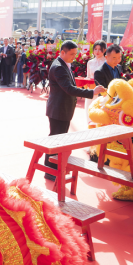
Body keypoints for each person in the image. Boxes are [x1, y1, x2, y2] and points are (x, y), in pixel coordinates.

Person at [43, 40, 106, 180]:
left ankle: (53, 168)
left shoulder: (64, 64)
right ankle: (50, 170)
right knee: (55, 139)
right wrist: (92, 92)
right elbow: (69, 89)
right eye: (71, 54)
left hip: (63, 108)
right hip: (58, 109)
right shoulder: (59, 67)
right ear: (62, 53)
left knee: (59, 138)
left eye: (75, 54)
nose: (74, 57)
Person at [85, 40, 107, 123]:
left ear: (104, 50)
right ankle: (90, 124)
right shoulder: (90, 62)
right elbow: (88, 76)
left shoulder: (106, 62)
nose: (97, 51)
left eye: (100, 49)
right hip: (91, 89)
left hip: (102, 89)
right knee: (90, 107)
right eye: (95, 49)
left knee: (100, 108)